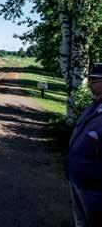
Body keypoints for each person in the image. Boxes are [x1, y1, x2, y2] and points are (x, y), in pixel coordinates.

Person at [67, 63, 102, 226]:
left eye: (94, 80)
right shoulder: (93, 106)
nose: (90, 84)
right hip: (78, 180)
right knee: (81, 221)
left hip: (94, 188)